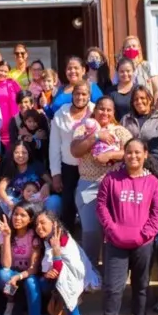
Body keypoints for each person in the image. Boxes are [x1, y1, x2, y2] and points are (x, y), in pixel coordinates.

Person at [93, 138, 158, 315]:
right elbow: (101, 206)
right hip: (115, 242)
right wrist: (112, 229)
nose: (133, 156)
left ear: (145, 154)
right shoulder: (111, 179)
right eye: (129, 152)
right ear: (123, 155)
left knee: (141, 286)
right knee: (113, 287)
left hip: (143, 243)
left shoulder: (152, 182)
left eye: (137, 152)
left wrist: (146, 234)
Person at [71, 97, 133, 267]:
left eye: (109, 110)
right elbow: (75, 150)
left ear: (113, 113)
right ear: (95, 109)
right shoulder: (83, 129)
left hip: (116, 187)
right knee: (91, 233)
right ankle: (90, 277)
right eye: (101, 109)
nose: (104, 113)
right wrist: (97, 136)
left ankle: (111, 276)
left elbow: (135, 152)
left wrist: (111, 155)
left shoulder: (121, 131)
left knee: (113, 233)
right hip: (89, 186)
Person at [27, 210, 90, 315]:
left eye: (43, 223)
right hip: (50, 281)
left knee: (64, 283)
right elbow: (46, 269)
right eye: (37, 224)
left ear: (54, 224)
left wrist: (56, 252)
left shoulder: (63, 238)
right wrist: (47, 273)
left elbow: (62, 268)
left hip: (68, 280)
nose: (39, 227)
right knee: (31, 281)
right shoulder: (43, 241)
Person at [49, 81, 95, 235]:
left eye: (84, 94)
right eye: (77, 93)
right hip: (68, 166)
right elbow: (54, 146)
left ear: (89, 96)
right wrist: (56, 174)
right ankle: (68, 240)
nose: (80, 97)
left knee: (88, 205)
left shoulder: (96, 111)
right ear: (72, 95)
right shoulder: (60, 115)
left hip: (91, 167)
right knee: (67, 204)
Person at [0, 203, 43, 315]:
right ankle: (11, 301)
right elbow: (6, 265)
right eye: (16, 214)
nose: (17, 218)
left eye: (23, 215)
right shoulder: (6, 233)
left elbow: (33, 268)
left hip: (27, 275)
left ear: (30, 219)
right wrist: (6, 237)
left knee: (31, 282)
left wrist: (18, 277)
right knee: (3, 274)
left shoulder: (34, 236)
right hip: (12, 274)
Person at [0, 142, 52, 218]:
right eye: (17, 152)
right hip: (20, 202)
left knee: (55, 200)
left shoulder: (36, 165)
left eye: (24, 153)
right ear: (12, 154)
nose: (20, 155)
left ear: (29, 153)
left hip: (37, 200)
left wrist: (47, 185)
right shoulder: (11, 168)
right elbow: (0, 188)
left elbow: (50, 181)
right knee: (3, 202)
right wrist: (9, 203)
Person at [8, 91, 50, 162]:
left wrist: (32, 138)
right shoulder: (14, 121)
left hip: (41, 155)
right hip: (23, 158)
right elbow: (13, 143)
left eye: (26, 102)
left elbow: (48, 140)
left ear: (32, 103)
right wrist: (24, 138)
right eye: (20, 102)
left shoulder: (41, 117)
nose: (23, 105)